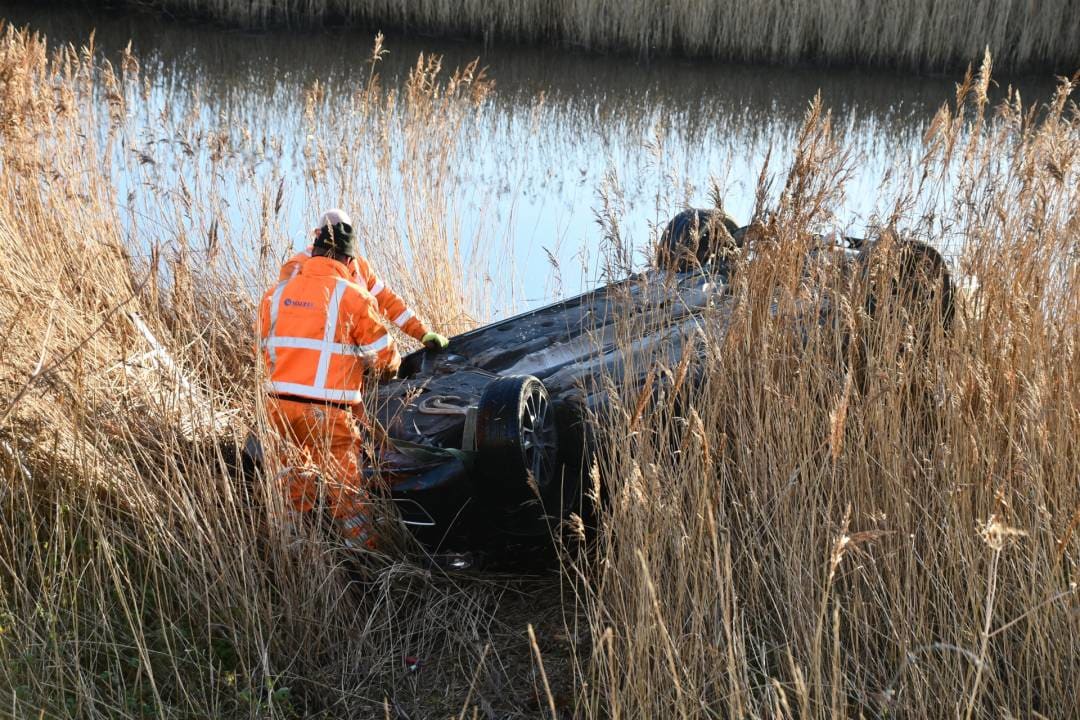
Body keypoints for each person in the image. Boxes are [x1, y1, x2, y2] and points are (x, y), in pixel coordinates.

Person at [257, 209, 448, 548]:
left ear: (316, 245)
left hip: (277, 408)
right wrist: (377, 375)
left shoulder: (275, 293)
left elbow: (266, 348)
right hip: (328, 411)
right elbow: (384, 354)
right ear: (349, 258)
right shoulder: (354, 294)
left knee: (289, 483)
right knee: (347, 495)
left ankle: (289, 551)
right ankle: (363, 557)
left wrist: (422, 331)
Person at [279, 209, 449, 350]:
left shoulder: (359, 267)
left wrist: (423, 333)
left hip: (353, 356)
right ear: (317, 234)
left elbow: (389, 303)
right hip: (311, 351)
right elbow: (282, 314)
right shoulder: (296, 267)